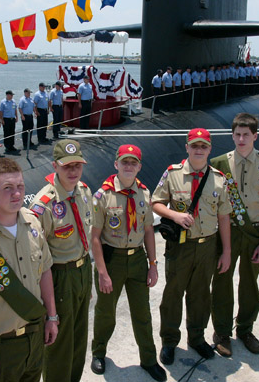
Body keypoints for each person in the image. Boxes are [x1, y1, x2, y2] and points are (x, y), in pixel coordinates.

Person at [0, 158, 58, 382]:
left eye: (20, 186)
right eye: (7, 188)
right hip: (0, 347)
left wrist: (52, 316)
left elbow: (46, 271)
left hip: (35, 335)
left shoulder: (32, 222)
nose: (17, 194)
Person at [152, 128, 232, 364]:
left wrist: (226, 251)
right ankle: (169, 341)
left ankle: (196, 338)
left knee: (200, 296)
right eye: (194, 146)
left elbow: (224, 217)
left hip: (207, 245)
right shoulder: (173, 174)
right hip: (181, 247)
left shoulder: (218, 179)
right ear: (187, 147)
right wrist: (174, 216)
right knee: (173, 295)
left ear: (209, 149)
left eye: (203, 146)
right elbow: (156, 203)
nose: (198, 150)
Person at [90, 144, 167, 382]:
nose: (129, 166)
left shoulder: (144, 194)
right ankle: (99, 352)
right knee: (105, 312)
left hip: (137, 260)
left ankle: (148, 359)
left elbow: (147, 231)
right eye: (125, 162)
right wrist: (102, 272)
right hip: (111, 259)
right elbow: (94, 238)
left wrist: (153, 264)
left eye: (133, 163)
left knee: (142, 313)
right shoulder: (103, 196)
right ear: (116, 164)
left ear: (139, 167)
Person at [210, 113, 259, 357]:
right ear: (232, 135)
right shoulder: (219, 164)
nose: (241, 139)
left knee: (250, 284)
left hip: (254, 232)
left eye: (246, 135)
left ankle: (245, 329)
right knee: (222, 281)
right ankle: (221, 332)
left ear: (255, 136)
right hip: (227, 232)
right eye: (237, 134)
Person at [29, 139, 93, 382]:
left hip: (83, 270)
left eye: (77, 165)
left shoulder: (84, 192)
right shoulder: (43, 205)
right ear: (55, 165)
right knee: (59, 342)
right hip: (59, 276)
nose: (73, 171)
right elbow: (37, 258)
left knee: (78, 336)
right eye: (67, 166)